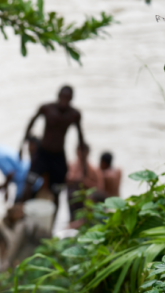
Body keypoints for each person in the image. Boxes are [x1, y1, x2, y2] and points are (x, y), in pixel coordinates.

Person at [21, 86, 85, 215]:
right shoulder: (47, 108)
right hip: (42, 153)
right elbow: (31, 121)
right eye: (62, 97)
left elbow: (80, 137)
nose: (64, 100)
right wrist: (23, 144)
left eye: (67, 98)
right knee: (29, 183)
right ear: (58, 96)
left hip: (58, 156)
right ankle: (22, 213)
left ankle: (52, 223)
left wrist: (83, 164)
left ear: (71, 99)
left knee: (57, 191)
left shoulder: (74, 115)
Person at [66, 144, 103, 223]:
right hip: (73, 201)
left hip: (87, 202)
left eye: (83, 151)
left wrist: (84, 181)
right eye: (79, 150)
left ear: (87, 153)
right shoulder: (71, 166)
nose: (81, 153)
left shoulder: (94, 170)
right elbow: (67, 180)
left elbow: (100, 188)